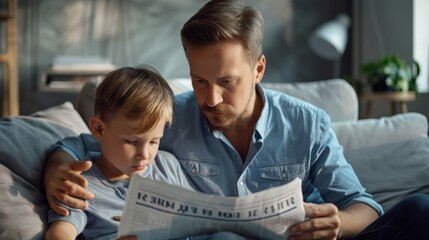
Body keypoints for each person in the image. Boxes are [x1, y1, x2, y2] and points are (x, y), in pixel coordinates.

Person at [44, 1, 429, 239]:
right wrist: (58, 169)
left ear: (258, 68)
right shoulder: (170, 117)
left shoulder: (308, 123)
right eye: (199, 81)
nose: (210, 98)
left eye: (227, 82)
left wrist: (337, 225)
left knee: (419, 210)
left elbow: (363, 205)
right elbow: (85, 143)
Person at [44, 66, 194, 240]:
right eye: (132, 142)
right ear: (99, 129)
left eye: (154, 141)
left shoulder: (167, 165)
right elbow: (59, 233)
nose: (144, 154)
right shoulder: (81, 184)